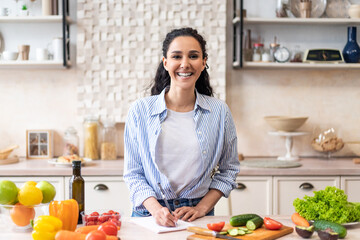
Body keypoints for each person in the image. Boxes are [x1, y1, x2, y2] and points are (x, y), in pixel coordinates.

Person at [124, 27, 240, 227]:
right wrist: (156, 209)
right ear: (165, 62)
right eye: (177, 56)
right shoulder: (140, 110)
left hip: (197, 215)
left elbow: (229, 170)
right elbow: (133, 173)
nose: (185, 64)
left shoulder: (219, 112)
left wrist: (202, 207)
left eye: (193, 56)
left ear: (204, 62)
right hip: (148, 215)